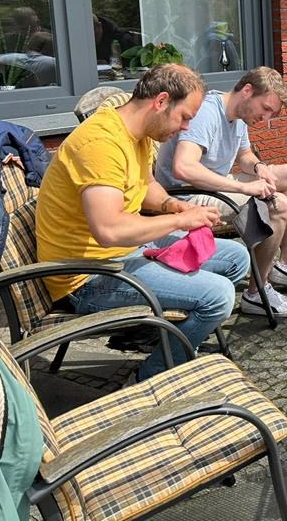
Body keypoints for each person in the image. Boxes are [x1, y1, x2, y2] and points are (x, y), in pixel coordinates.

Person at [36, 64, 250, 382]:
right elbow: (109, 230)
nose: (186, 128)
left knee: (237, 259)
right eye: (185, 117)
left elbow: (146, 185)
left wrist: (173, 205)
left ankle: (166, 337)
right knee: (218, 296)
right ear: (161, 102)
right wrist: (179, 220)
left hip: (126, 251)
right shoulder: (100, 143)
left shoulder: (139, 134)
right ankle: (151, 376)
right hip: (88, 277)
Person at [155, 67, 287, 319]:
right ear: (247, 91)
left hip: (213, 185)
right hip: (184, 195)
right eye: (265, 108)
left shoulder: (238, 116)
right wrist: (245, 188)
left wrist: (259, 167)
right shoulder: (206, 112)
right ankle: (256, 293)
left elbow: (244, 155)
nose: (266, 118)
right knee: (277, 204)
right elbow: (183, 167)